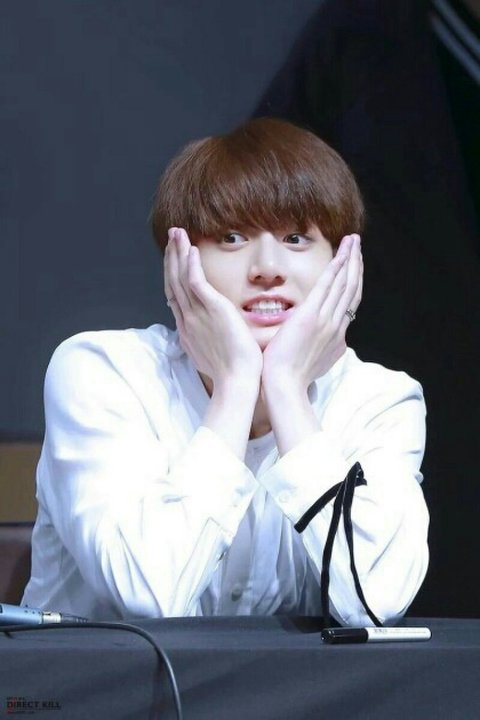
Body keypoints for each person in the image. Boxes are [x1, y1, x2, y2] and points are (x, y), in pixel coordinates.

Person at [23, 118, 428, 625]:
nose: (267, 268)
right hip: (102, 678)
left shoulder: (381, 401)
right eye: (232, 237)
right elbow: (151, 595)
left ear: (344, 264)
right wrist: (236, 386)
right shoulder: (102, 374)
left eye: (297, 238)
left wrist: (286, 390)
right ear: (180, 261)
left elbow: (376, 602)